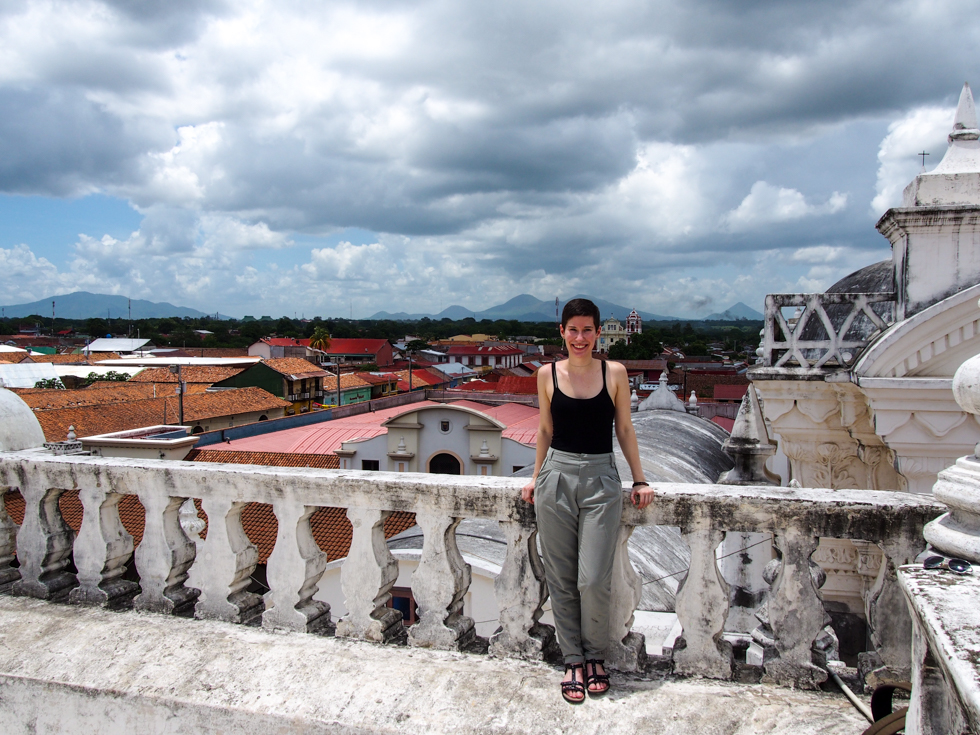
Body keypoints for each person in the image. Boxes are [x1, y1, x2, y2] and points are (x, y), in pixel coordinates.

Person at [522, 298, 653, 705]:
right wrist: (535, 475)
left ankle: (596, 655)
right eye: (573, 329)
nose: (580, 338)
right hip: (555, 476)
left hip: (601, 478)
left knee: (593, 578)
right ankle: (573, 660)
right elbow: (545, 429)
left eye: (587, 330)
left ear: (598, 333)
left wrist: (640, 478)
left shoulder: (614, 372)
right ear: (561, 332)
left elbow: (626, 428)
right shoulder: (547, 375)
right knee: (561, 577)